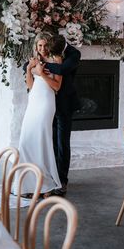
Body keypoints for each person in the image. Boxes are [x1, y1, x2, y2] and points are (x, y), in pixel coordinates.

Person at [14, 32, 63, 197]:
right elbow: (30, 86)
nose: (42, 48)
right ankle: (28, 184)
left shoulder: (57, 60)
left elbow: (56, 87)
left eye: (44, 45)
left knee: (42, 142)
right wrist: (29, 68)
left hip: (46, 103)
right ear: (36, 46)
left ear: (49, 45)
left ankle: (46, 185)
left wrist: (41, 72)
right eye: (39, 46)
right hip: (33, 102)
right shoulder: (33, 60)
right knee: (26, 141)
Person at [44, 34, 81, 196]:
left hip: (66, 104)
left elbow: (62, 69)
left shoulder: (74, 54)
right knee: (51, 141)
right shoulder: (51, 47)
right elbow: (27, 65)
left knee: (62, 144)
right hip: (49, 103)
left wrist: (41, 67)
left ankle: (63, 181)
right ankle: (52, 177)